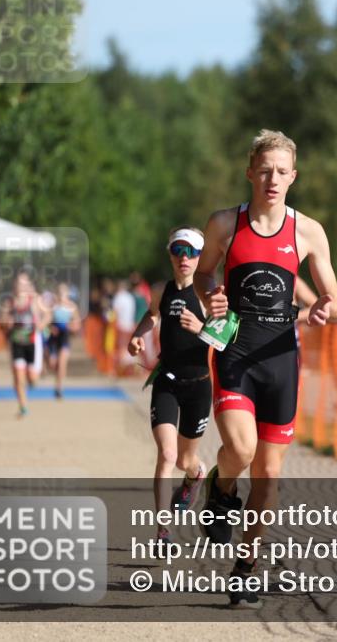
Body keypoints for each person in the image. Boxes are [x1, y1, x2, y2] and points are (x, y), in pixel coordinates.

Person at [194, 129, 337, 608]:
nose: (272, 179)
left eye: (282, 172)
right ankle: (221, 487)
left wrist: (326, 309)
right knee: (239, 448)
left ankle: (246, 569)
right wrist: (209, 293)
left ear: (293, 176)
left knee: (269, 473)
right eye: (264, 170)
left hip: (282, 360)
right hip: (236, 353)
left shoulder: (308, 231)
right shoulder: (225, 223)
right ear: (249, 172)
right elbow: (203, 272)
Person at [129, 227, 211, 544]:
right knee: (166, 454)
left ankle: (196, 475)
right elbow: (151, 316)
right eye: (178, 251)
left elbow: (226, 342)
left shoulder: (208, 295)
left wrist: (201, 328)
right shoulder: (162, 291)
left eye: (190, 252)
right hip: (167, 381)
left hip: (198, 386)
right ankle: (163, 531)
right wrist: (138, 335)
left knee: (184, 461)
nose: (184, 258)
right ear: (170, 255)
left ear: (200, 256)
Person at [1, 272, 48, 417]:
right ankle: (23, 407)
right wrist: (7, 323)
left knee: (31, 377)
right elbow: (2, 321)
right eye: (18, 284)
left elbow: (48, 314)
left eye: (24, 284)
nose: (21, 287)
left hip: (32, 342)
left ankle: (35, 376)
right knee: (18, 376)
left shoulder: (34, 300)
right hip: (17, 343)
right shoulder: (9, 302)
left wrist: (41, 325)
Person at [47, 282, 81, 399]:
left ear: (67, 293)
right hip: (53, 339)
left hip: (65, 337)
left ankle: (59, 388)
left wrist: (69, 327)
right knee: (53, 364)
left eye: (64, 292)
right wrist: (51, 328)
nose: (61, 294)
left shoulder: (72, 307)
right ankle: (57, 380)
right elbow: (46, 322)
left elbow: (77, 326)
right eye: (59, 292)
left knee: (62, 364)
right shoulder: (53, 306)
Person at [113, 279, 137, 376]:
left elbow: (115, 311)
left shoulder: (119, 297)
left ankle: (122, 369)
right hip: (130, 325)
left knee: (122, 348)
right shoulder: (130, 297)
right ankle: (131, 368)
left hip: (121, 325)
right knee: (129, 347)